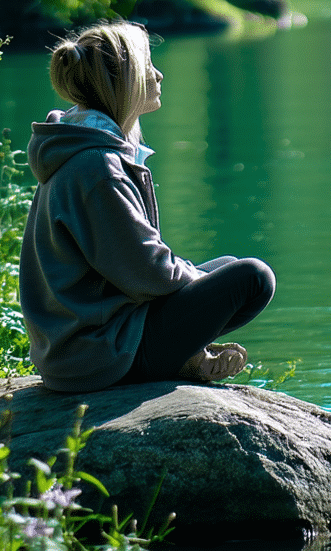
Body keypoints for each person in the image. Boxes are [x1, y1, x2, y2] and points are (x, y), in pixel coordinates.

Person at [18, 20, 275, 393]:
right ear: (121, 82)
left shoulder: (82, 148)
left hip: (87, 343)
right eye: (146, 67)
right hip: (98, 355)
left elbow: (136, 270)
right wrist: (202, 290)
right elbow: (149, 272)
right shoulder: (96, 167)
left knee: (228, 268)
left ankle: (187, 354)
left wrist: (201, 288)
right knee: (253, 278)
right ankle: (185, 359)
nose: (159, 74)